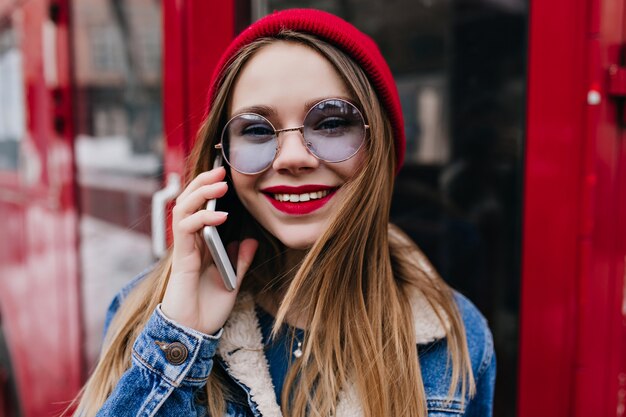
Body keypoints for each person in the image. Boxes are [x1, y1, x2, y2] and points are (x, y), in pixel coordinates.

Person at [72, 8, 495, 417]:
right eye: (256, 129)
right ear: (222, 160)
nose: (293, 158)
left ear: (378, 147)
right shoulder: (149, 315)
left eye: (330, 123)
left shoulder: (455, 337)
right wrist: (182, 336)